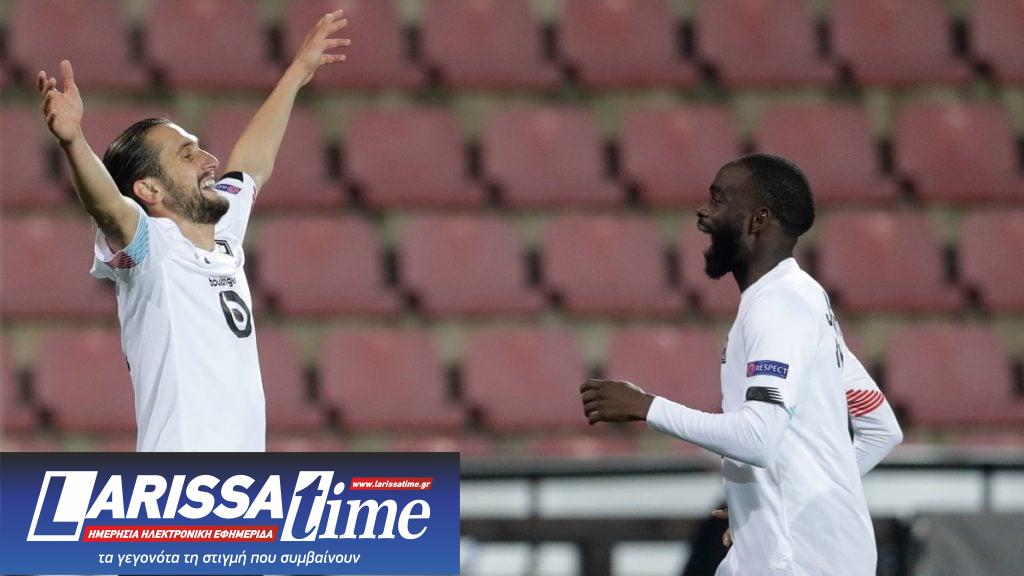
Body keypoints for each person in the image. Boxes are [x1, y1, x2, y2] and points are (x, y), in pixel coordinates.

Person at [36, 10, 351, 451]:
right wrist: (73, 142)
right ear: (150, 189)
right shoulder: (152, 251)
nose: (210, 162)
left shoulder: (223, 233)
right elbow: (107, 207)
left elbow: (252, 165)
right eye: (188, 155)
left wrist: (297, 74)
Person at [581, 154, 903, 576]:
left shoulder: (779, 307)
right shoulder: (803, 301)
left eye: (718, 200)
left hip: (798, 564)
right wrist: (782, 503)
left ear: (758, 220)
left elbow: (758, 437)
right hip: (802, 555)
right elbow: (881, 428)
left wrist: (647, 407)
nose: (702, 212)